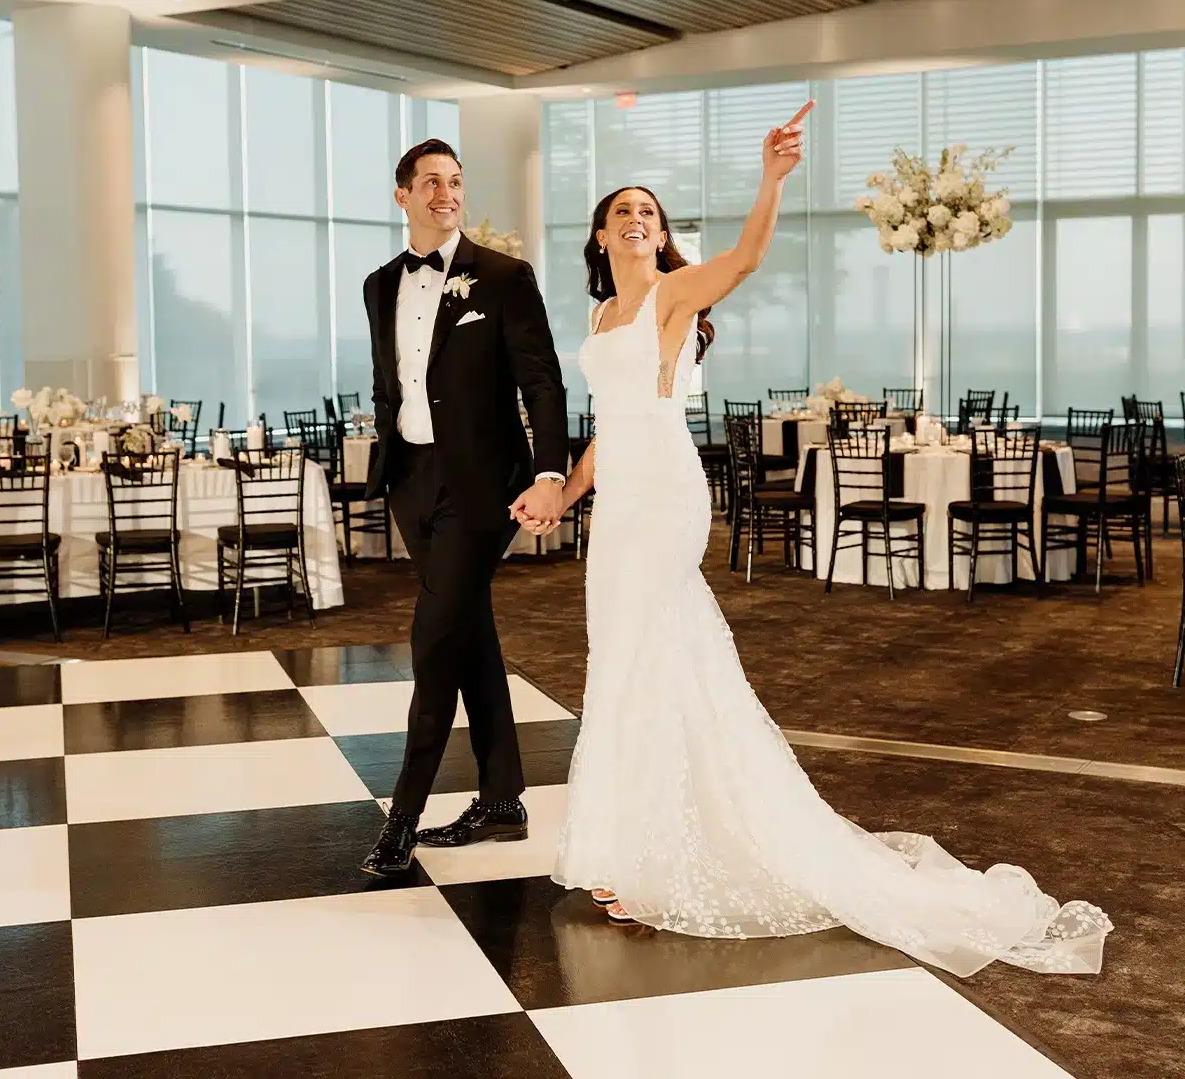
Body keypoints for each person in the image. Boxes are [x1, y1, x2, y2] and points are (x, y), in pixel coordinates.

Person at [517, 103, 1112, 977]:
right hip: (619, 504)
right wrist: (564, 495)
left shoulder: (673, 294)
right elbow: (607, 429)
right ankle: (627, 844)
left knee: (651, 655)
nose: (637, 221)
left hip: (669, 497)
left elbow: (750, 257)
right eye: (622, 212)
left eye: (649, 211)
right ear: (600, 237)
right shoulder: (603, 322)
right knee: (625, 661)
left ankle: (649, 859)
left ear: (661, 234)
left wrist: (772, 177)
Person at [360, 139, 569, 876]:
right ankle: (503, 799)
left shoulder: (505, 277)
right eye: (431, 182)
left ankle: (404, 813)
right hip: (412, 482)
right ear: (403, 196)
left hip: (482, 487)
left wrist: (550, 472)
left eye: (455, 181)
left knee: (433, 639)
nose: (447, 193)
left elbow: (543, 383)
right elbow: (396, 384)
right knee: (468, 630)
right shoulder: (379, 284)